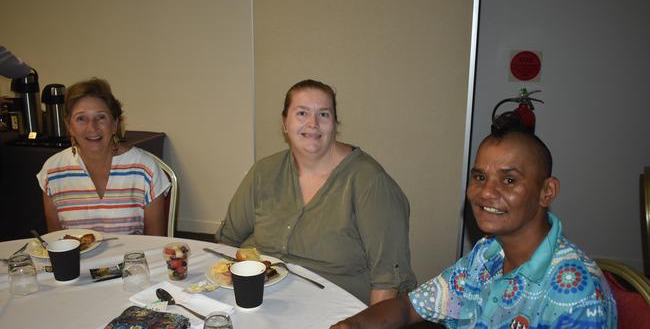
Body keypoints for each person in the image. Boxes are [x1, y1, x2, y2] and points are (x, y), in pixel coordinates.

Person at [330, 115, 617, 328]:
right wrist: (351, 326)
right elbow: (409, 307)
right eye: (479, 177)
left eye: (509, 180)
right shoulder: (487, 254)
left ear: (547, 192)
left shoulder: (577, 291)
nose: (486, 192)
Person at [216, 79, 417, 305]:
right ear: (284, 123)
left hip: (337, 310)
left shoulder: (370, 183)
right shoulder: (264, 172)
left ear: (334, 124)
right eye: (302, 113)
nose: (313, 123)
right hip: (262, 302)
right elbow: (227, 241)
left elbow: (387, 281)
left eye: (323, 114)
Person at [36, 78, 170, 235]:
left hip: (131, 259)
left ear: (114, 124)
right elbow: (57, 242)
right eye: (81, 118)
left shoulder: (145, 170)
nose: (91, 127)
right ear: (69, 126)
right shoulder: (53, 171)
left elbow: (155, 243)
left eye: (100, 117)